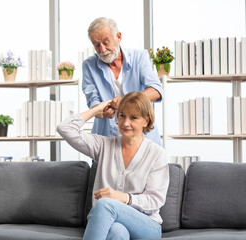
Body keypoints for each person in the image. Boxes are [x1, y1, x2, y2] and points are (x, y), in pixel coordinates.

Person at [57, 91, 169, 240]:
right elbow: (65, 128)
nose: (125, 123)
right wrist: (97, 109)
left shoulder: (156, 154)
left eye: (133, 117)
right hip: (112, 223)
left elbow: (155, 200)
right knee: (117, 232)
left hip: (147, 225)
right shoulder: (103, 145)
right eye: (122, 115)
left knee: (105, 204)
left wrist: (123, 198)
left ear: (146, 121)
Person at [83, 17, 164, 146]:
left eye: (106, 42)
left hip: (142, 138)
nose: (102, 49)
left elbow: (157, 90)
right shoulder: (89, 65)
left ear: (118, 37)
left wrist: (127, 101)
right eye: (97, 45)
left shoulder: (139, 57)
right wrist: (101, 111)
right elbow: (93, 101)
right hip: (107, 140)